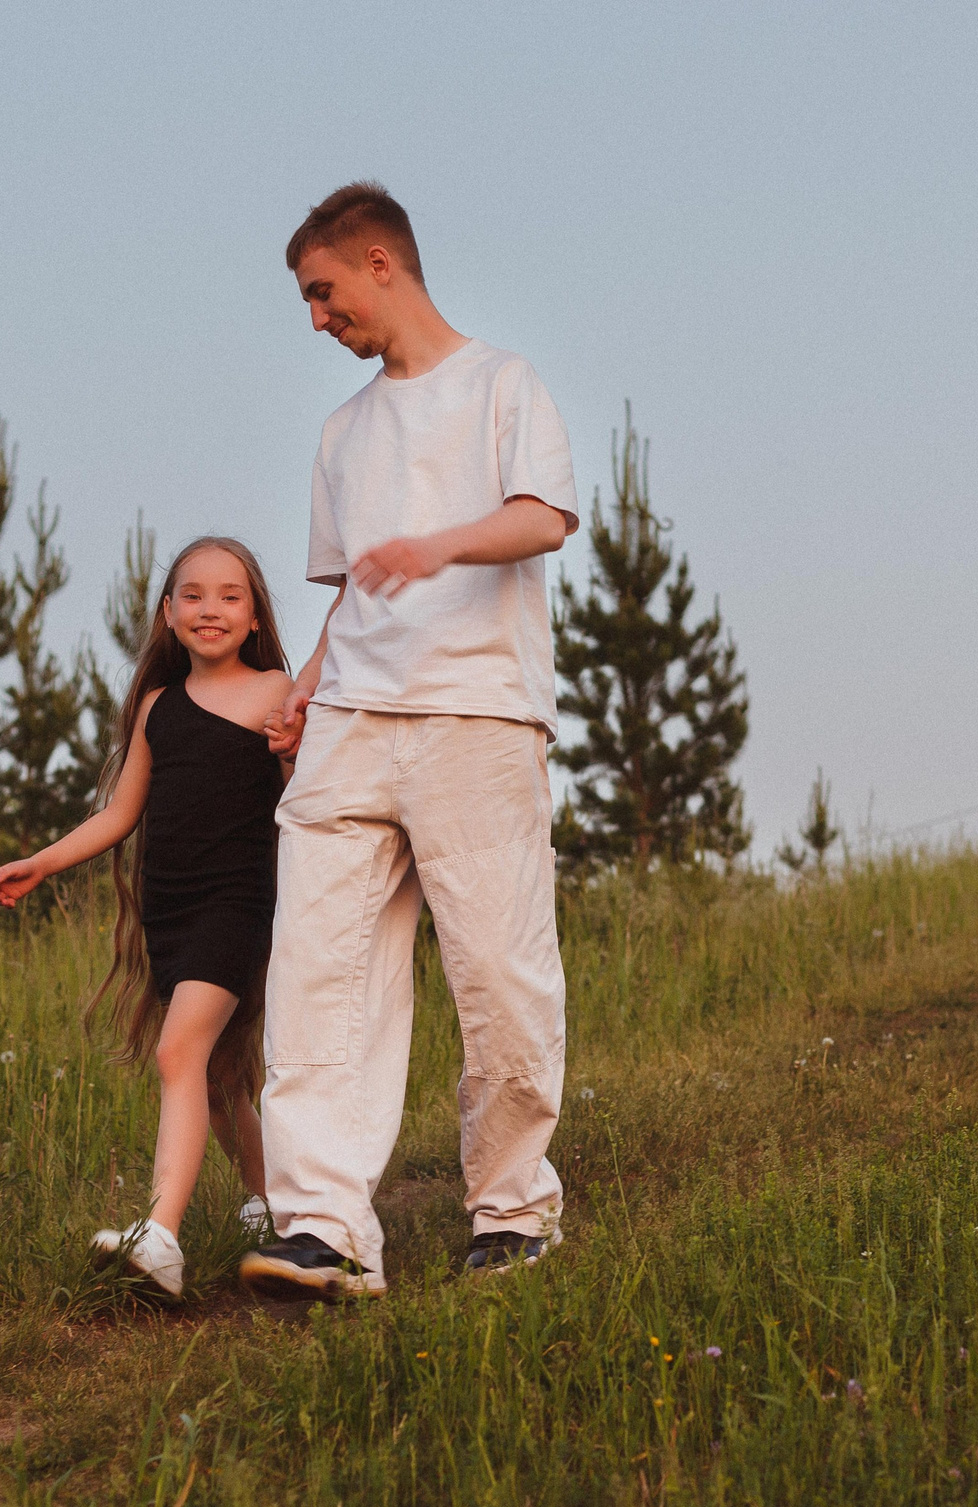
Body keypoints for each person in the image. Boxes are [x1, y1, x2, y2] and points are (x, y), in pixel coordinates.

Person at [237, 181, 578, 1301]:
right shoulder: (342, 433)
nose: (317, 320)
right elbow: (350, 597)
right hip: (350, 728)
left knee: (497, 969)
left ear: (380, 262)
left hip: (477, 712)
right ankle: (325, 1228)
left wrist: (437, 547)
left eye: (323, 293)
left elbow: (544, 518)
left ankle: (512, 1209)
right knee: (319, 972)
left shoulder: (501, 384)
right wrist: (304, 690)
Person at [0, 538, 292, 1297]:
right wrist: (45, 861)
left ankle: (160, 1236)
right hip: (173, 909)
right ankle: (267, 1202)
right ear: (167, 612)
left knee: (178, 1054)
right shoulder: (158, 707)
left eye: (229, 595)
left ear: (253, 616)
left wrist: (291, 749)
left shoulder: (275, 689)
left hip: (239, 903)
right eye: (192, 594)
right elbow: (120, 813)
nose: (209, 608)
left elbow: (302, 793)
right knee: (217, 1076)